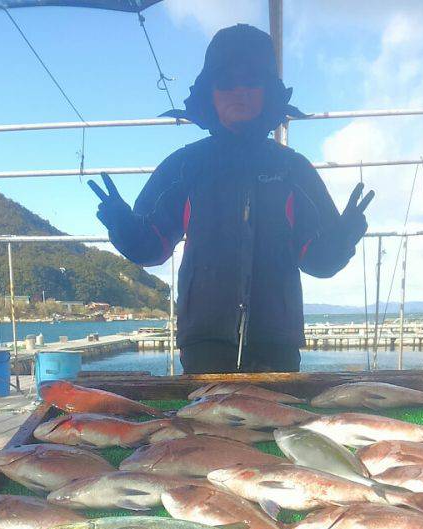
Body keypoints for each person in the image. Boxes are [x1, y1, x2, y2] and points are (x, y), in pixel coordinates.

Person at [89, 24, 374, 374]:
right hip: (204, 344)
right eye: (225, 81)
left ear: (268, 91)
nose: (239, 90)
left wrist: (344, 235)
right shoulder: (185, 166)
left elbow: (319, 262)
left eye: (252, 80)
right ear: (209, 93)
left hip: (277, 346)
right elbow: (151, 248)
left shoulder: (293, 169)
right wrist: (121, 224)